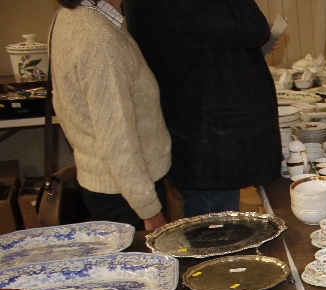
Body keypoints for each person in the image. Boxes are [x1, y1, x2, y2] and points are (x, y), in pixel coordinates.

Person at [124, 0, 281, 218]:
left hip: (204, 135)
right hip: (206, 141)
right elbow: (253, 26)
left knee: (217, 228)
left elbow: (244, 30)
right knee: (214, 238)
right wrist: (256, 33)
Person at [49, 0, 170, 230]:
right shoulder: (99, 39)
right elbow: (118, 141)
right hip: (127, 196)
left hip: (110, 185)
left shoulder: (69, 17)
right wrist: (149, 210)